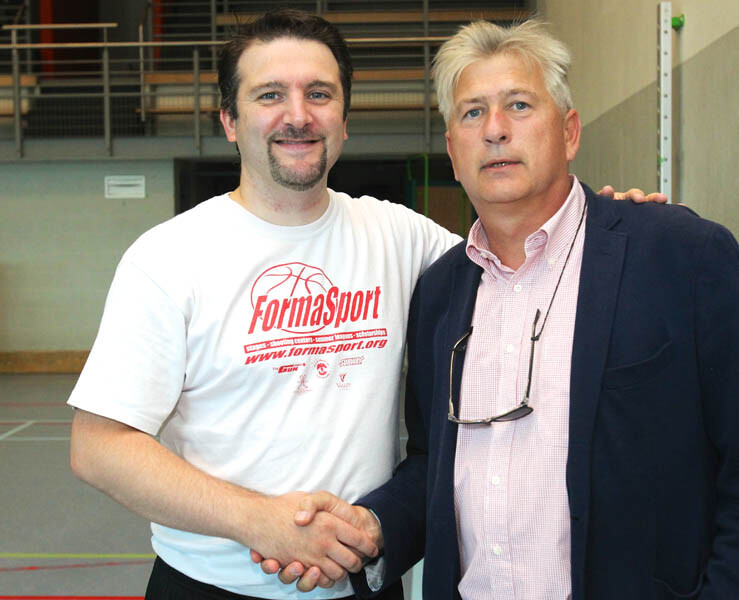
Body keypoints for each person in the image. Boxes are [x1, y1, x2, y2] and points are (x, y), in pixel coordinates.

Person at [68, 10, 665, 600]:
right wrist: (257, 520)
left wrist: (605, 225)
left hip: (366, 581)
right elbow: (98, 447)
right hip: (210, 586)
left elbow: (516, 259)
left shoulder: (401, 238)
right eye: (270, 94)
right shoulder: (169, 257)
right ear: (229, 119)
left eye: (319, 94)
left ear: (344, 119)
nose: (298, 115)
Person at [268, 19, 739, 600]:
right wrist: (372, 527)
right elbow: (433, 464)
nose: (494, 130)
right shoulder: (439, 292)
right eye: (472, 113)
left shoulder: (679, 256)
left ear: (569, 132)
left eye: (518, 105)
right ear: (452, 151)